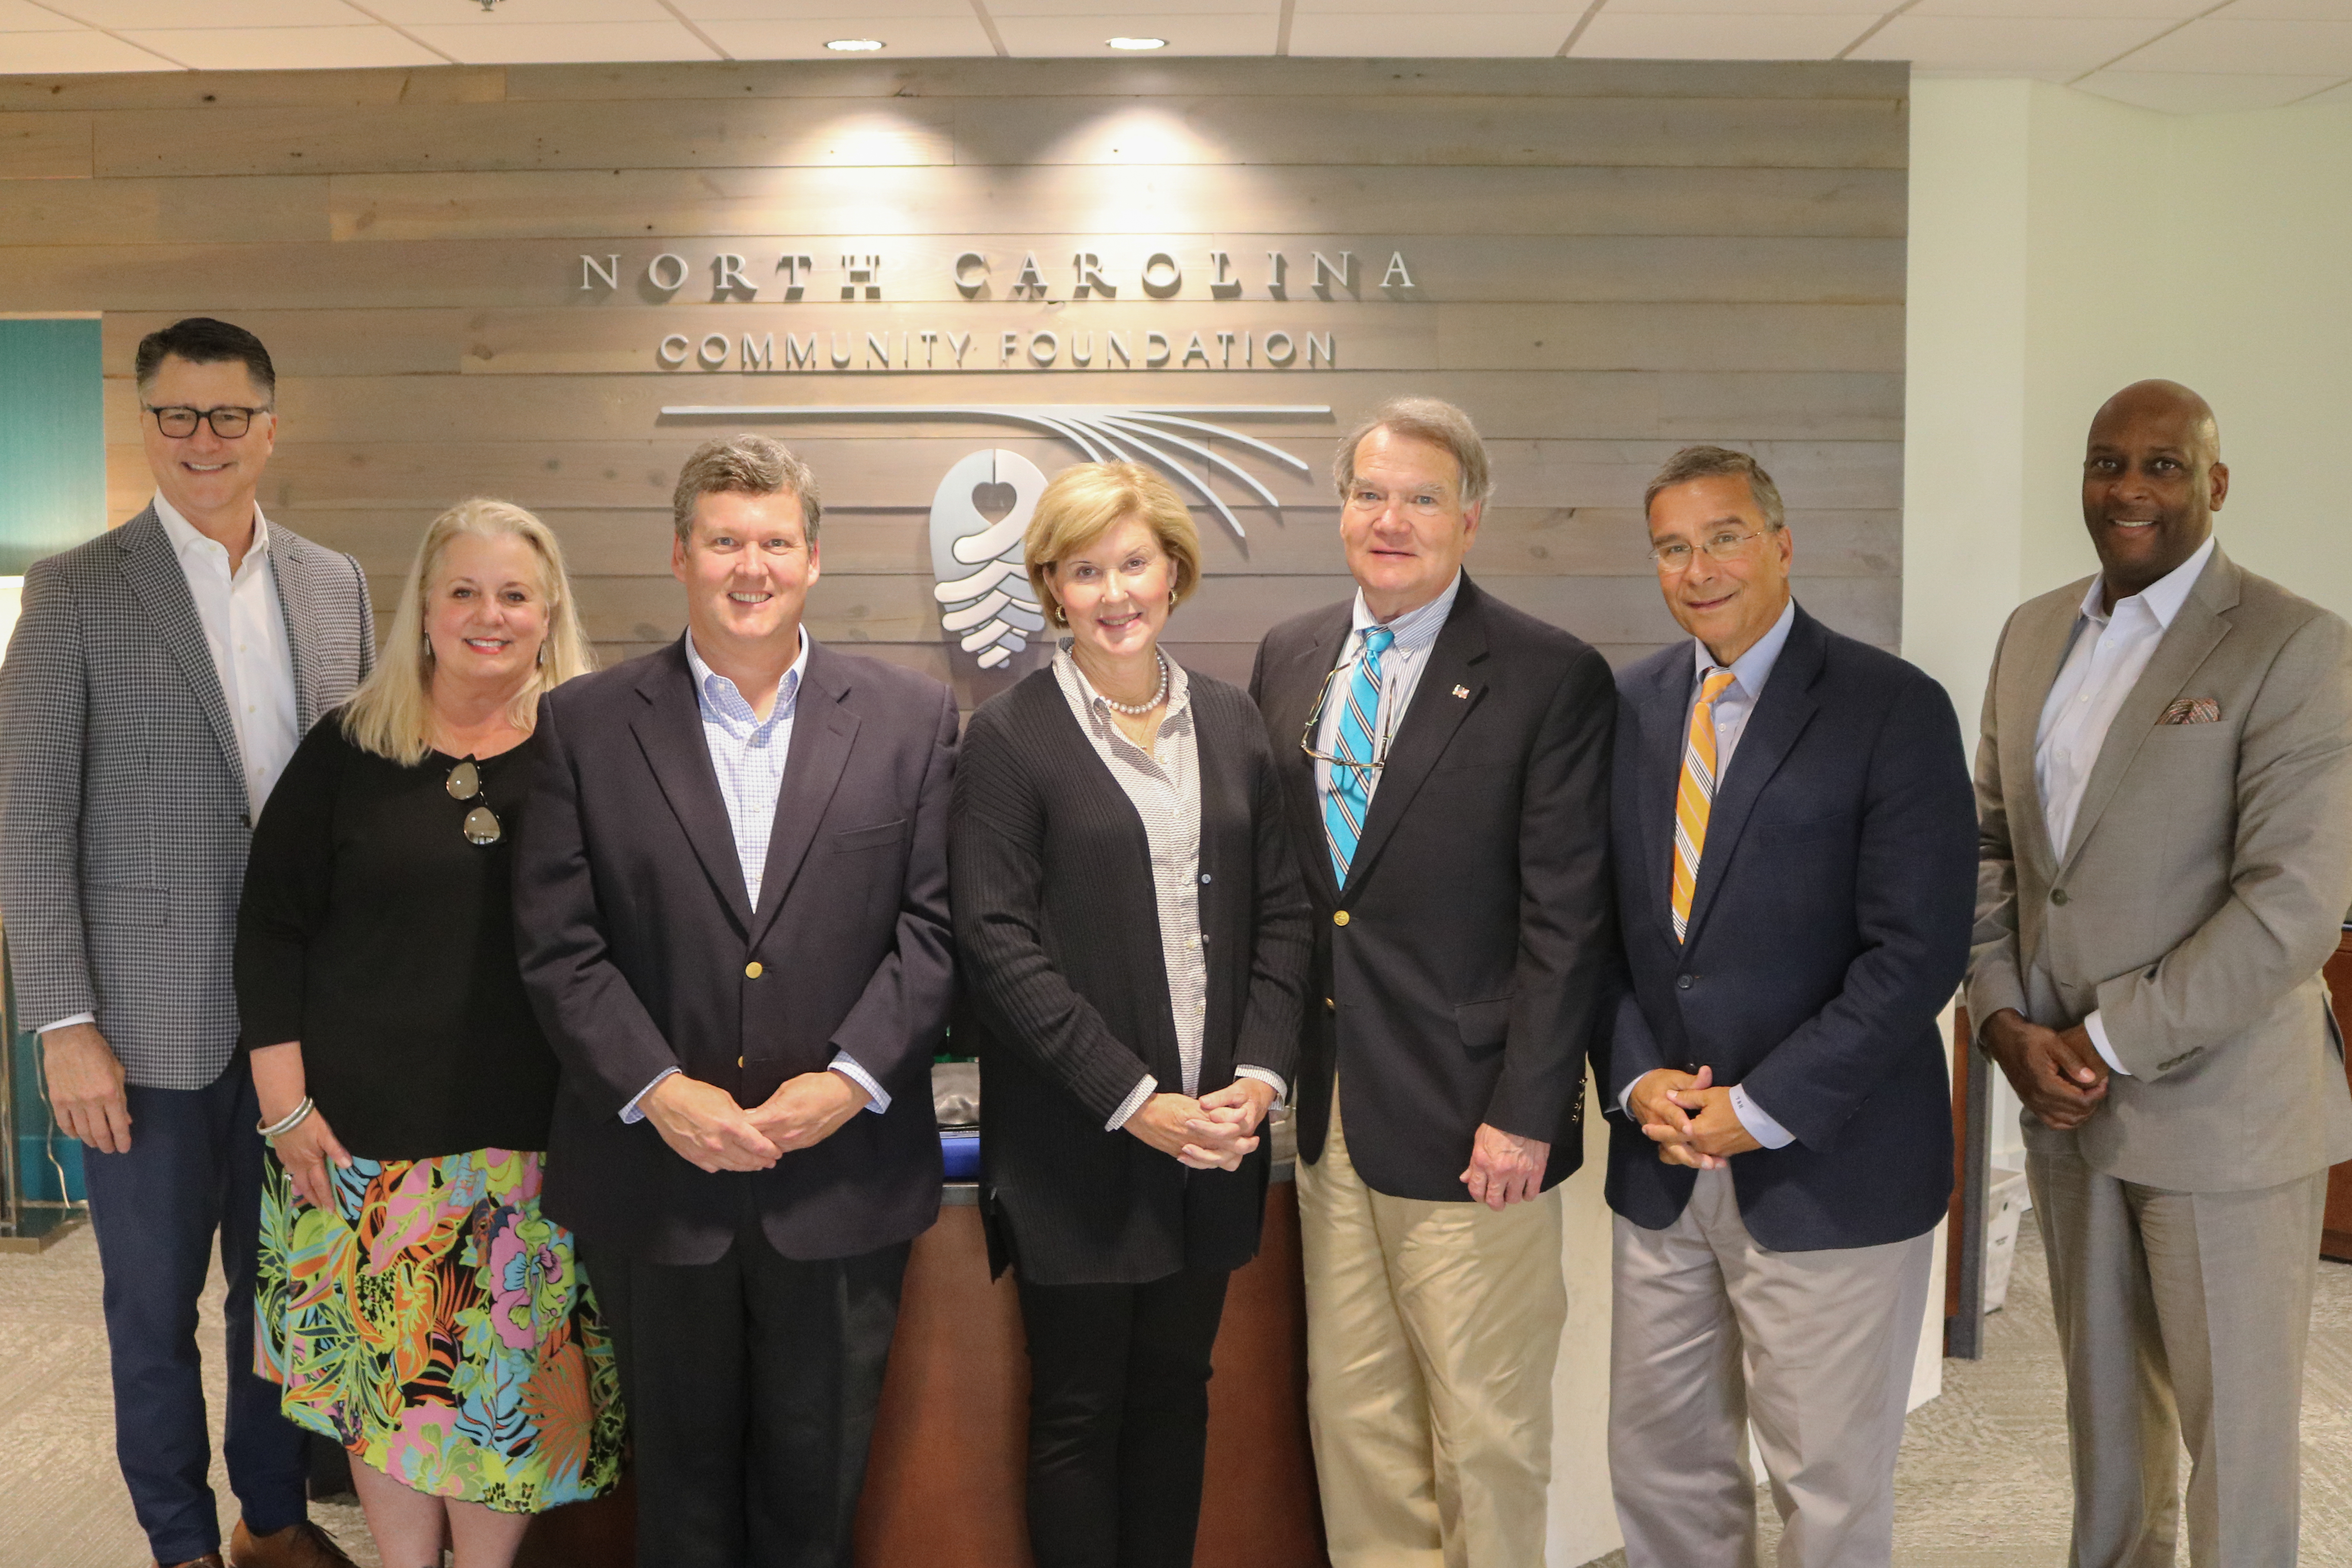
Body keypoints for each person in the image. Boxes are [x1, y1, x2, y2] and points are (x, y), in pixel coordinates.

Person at [513, 434, 957, 1568]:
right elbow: (560, 946)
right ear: (679, 555)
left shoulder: (910, 718)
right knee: (682, 1498)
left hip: (843, 1177)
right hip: (659, 1180)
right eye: (724, 541)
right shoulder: (585, 723)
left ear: (814, 559)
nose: (747, 566)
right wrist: (659, 1091)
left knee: (821, 1492)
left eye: (773, 541)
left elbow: (939, 926)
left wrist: (851, 1081)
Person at [0, 318, 372, 1568]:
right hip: (140, 1033)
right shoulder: (76, 589)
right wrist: (62, 1023)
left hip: (302, 1036)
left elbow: (363, 805)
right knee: (151, 1316)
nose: (202, 440)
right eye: (176, 416)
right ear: (146, 426)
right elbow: (30, 814)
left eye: (227, 416)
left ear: (271, 426)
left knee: (283, 1306)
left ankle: (273, 1523)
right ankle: (180, 1546)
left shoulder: (337, 583)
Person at [1968, 380, 2352, 1568]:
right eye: (2106, 463)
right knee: (2107, 1429)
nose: (2129, 489)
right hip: (2065, 1105)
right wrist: (2003, 1022)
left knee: (2236, 1440)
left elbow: (2293, 905)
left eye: (2163, 465)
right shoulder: (2034, 633)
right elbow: (1992, 848)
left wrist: (2106, 1040)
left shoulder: (2297, 644)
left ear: (2215, 485)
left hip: (2225, 1112)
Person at [1248, 396, 1616, 1567]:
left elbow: (1569, 920)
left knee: (1487, 1430)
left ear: (1470, 518)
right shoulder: (1292, 657)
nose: (1389, 520)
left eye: (1418, 498)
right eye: (1369, 494)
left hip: (1475, 1122)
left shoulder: (1550, 676)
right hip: (1332, 1112)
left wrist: (1527, 1109)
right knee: (1354, 1420)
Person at [1602, 446, 1977, 1568]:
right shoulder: (1627, 708)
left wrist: (1762, 1106)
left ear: (1781, 543)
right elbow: (1597, 934)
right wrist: (1637, 1078)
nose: (1698, 567)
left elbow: (1917, 955)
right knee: (1664, 1473)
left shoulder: (1892, 707)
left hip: (1830, 1166)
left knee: (1825, 1489)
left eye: (1723, 536)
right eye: (1673, 546)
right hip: (1663, 1163)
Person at [235, 498, 622, 1568]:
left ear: (548, 614)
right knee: (386, 1403)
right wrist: (287, 1110)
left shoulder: (594, 754)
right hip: (357, 1153)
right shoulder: (350, 745)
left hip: (532, 1150)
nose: (486, 615)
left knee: (500, 1410)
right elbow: (269, 932)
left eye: (512, 594)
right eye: (462, 591)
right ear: (425, 610)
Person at [951, 462, 1313, 1568]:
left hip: (1218, 1144)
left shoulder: (1234, 719)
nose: (1115, 591)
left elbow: (1286, 910)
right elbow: (998, 948)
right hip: (1078, 1148)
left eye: (1135, 563)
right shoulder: (1008, 739)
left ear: (1173, 570)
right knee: (1076, 1411)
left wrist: (1256, 1076)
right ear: (1053, 588)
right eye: (1085, 570)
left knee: (1175, 1396)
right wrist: (1138, 1100)